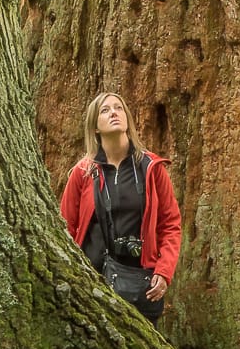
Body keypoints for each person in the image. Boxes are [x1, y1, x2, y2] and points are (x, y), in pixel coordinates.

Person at [58, 92, 181, 323]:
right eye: (105, 110)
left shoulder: (151, 169)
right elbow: (65, 227)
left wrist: (164, 272)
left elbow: (170, 225)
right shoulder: (83, 172)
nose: (114, 112)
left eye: (119, 108)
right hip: (92, 285)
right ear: (95, 127)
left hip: (140, 286)